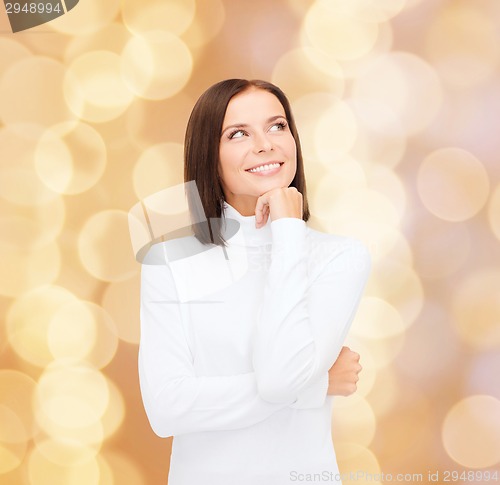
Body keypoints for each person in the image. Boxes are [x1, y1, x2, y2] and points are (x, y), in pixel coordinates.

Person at [138, 79, 371, 485]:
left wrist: (287, 232)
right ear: (208, 154)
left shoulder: (339, 257)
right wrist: (314, 386)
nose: (265, 144)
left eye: (277, 126)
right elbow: (167, 408)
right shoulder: (169, 262)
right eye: (239, 133)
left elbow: (280, 378)